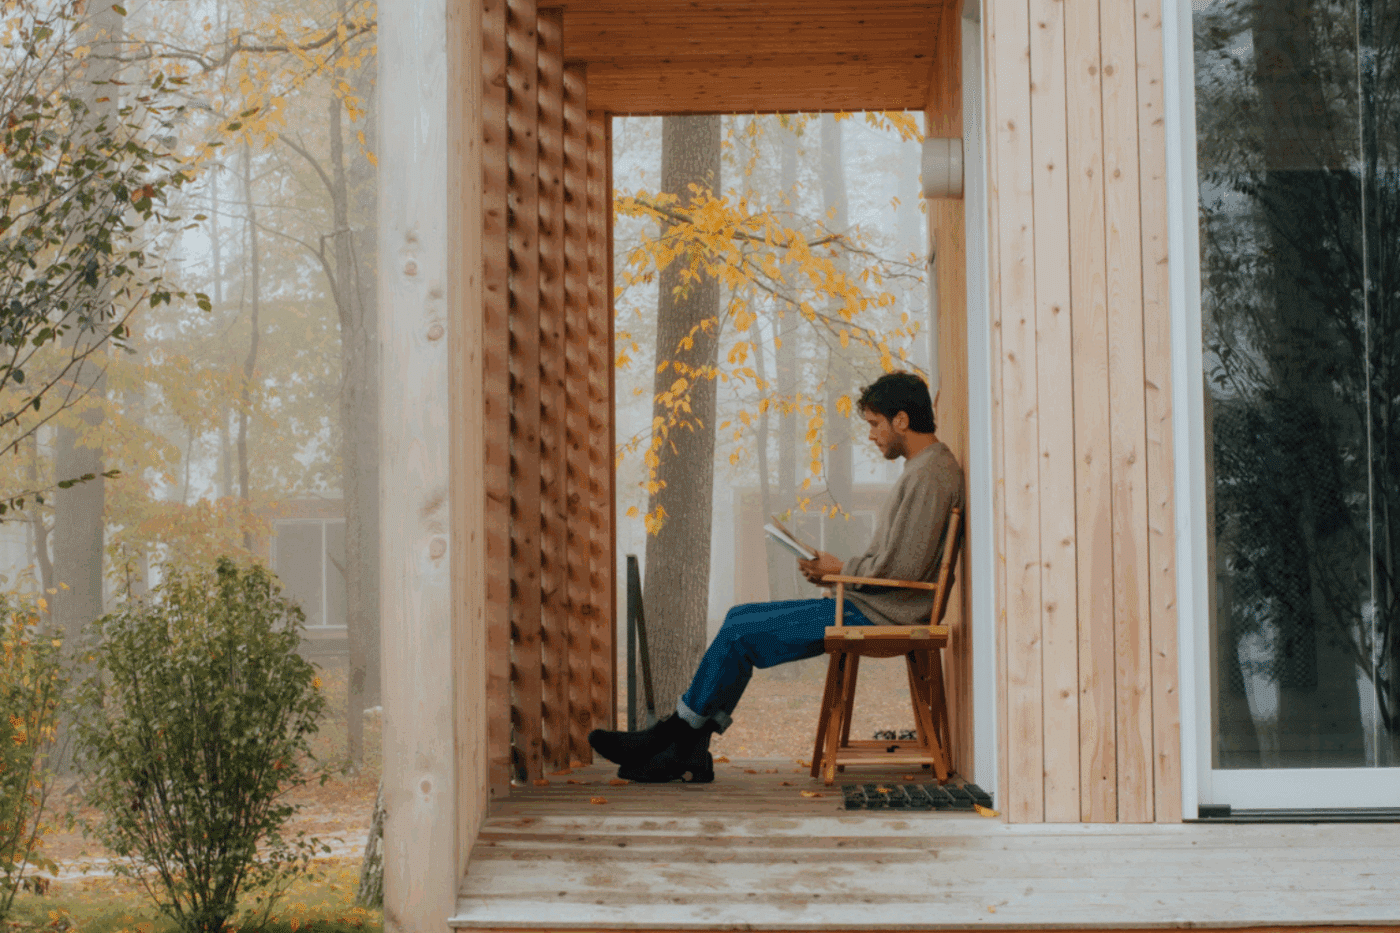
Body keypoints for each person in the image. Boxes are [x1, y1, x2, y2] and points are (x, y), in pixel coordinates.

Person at [589, 371, 964, 783]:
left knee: (739, 634)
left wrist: (840, 570)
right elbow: (893, 563)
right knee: (738, 617)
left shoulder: (930, 475)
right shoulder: (924, 468)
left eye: (875, 424)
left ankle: (672, 737)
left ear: (902, 420)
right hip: (871, 603)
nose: (873, 436)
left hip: (881, 614)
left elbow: (904, 570)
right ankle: (690, 746)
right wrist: (833, 573)